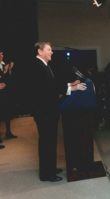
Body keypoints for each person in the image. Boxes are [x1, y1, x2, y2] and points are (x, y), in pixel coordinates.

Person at [28, 41, 86, 182]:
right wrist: (72, 89)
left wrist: (69, 84)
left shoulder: (43, 65)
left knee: (50, 141)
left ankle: (50, 168)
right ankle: (47, 174)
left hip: (47, 111)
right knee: (47, 142)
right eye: (49, 49)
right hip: (44, 112)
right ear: (40, 51)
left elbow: (52, 84)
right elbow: (48, 89)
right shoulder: (38, 66)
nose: (52, 52)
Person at [0, 49, 17, 139]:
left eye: (2, 54)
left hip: (5, 93)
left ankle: (8, 132)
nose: (2, 55)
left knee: (7, 113)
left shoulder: (3, 64)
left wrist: (9, 70)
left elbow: (7, 79)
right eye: (0, 54)